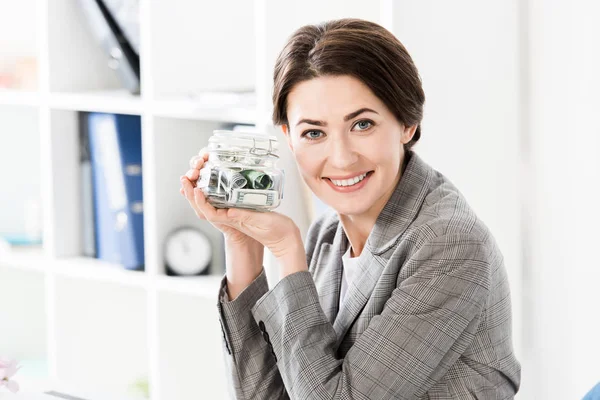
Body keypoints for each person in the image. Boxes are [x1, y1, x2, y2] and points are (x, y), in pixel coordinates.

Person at [180, 18, 521, 399]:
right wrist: (241, 242)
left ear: (407, 122)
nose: (341, 158)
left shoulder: (450, 245)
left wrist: (288, 254)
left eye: (362, 124)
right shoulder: (327, 236)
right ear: (288, 138)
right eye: (314, 132)